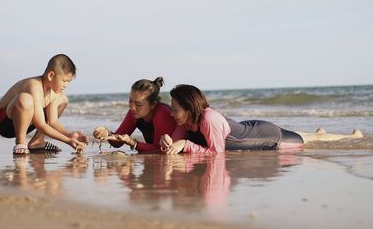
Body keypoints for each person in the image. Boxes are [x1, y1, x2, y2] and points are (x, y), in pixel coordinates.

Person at [160, 84, 364, 154]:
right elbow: (176, 143)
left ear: (189, 108)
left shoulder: (209, 119)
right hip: (251, 127)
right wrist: (168, 142)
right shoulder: (186, 121)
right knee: (305, 136)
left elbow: (216, 153)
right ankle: (319, 132)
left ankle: (354, 137)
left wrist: (185, 144)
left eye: (175, 109)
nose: (171, 113)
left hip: (267, 136)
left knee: (308, 141)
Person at [0, 54, 88, 155]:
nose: (66, 85)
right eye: (64, 81)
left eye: (68, 82)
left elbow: (52, 122)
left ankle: (37, 141)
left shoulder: (54, 93)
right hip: (5, 122)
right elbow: (41, 124)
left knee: (63, 99)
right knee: (25, 98)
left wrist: (70, 135)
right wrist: (67, 141)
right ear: (51, 75)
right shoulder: (34, 85)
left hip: (27, 122)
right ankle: (20, 142)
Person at [93, 77, 176, 153]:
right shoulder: (134, 113)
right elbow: (117, 143)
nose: (132, 107)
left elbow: (160, 150)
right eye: (130, 101)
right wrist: (106, 133)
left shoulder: (162, 114)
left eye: (138, 104)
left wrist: (132, 142)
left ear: (153, 104)